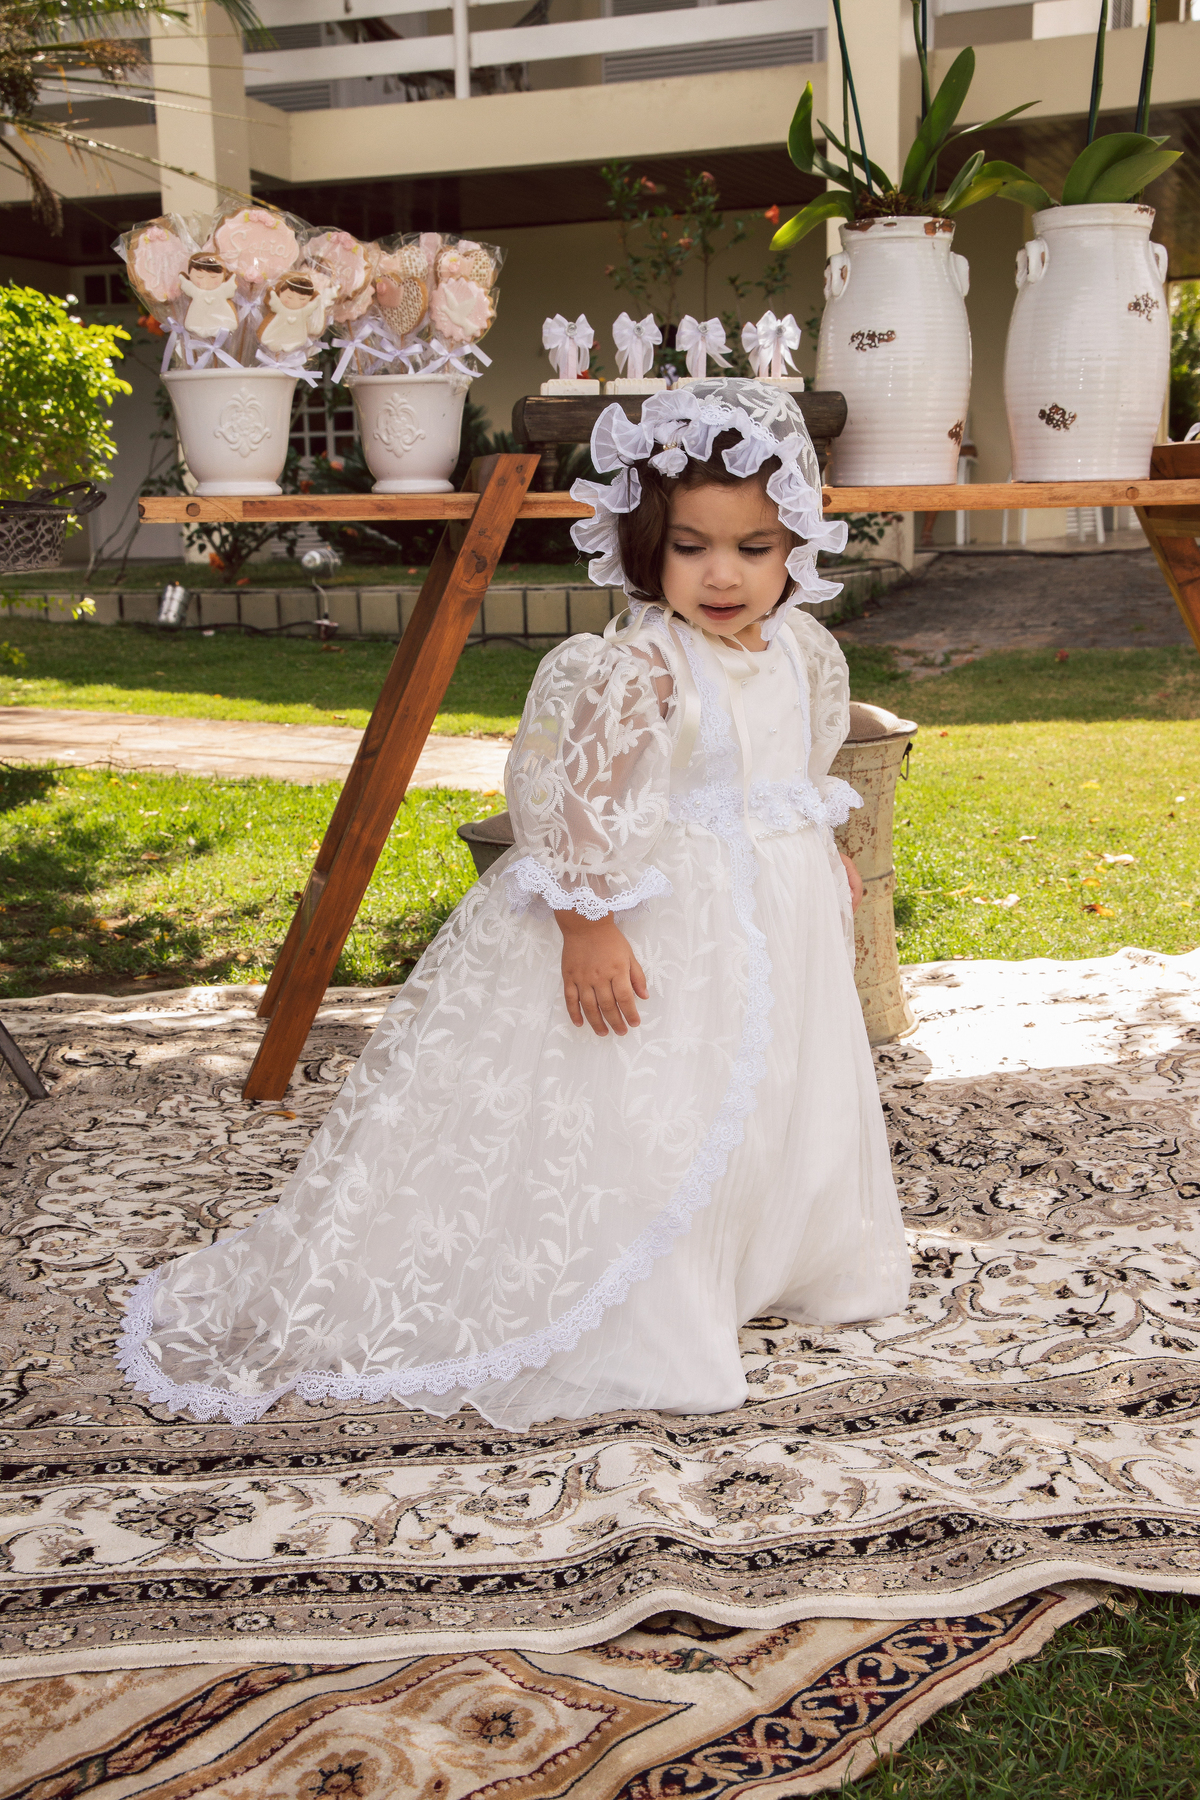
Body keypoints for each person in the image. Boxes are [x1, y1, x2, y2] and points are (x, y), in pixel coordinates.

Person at [116, 378, 911, 1430]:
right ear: (644, 547)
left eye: (754, 547)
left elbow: (798, 770)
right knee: (666, 1098)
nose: (723, 574)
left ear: (793, 543)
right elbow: (578, 808)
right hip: (670, 916)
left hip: (784, 909)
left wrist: (823, 852)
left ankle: (778, 1248)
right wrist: (588, 925)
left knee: (783, 1084)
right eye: (691, 547)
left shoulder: (805, 649)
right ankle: (657, 1295)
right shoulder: (638, 669)